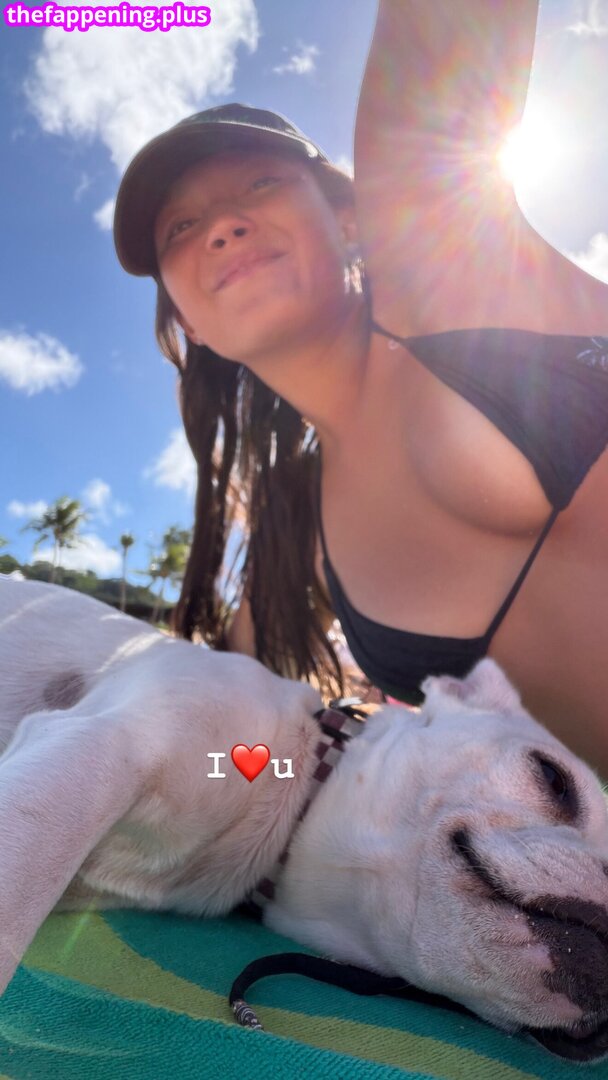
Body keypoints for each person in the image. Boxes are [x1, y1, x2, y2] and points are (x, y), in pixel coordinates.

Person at [113, 1, 608, 775]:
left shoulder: (452, 282)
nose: (223, 225)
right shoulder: (298, 530)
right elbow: (217, 715)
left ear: (349, 219)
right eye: (181, 227)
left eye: (260, 183)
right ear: (189, 323)